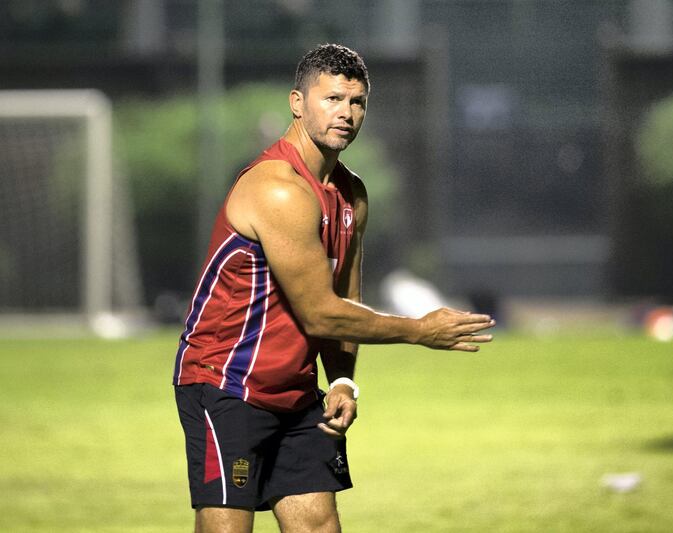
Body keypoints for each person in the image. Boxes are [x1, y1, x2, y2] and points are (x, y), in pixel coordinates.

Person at [172, 43, 495, 533]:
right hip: (228, 385)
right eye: (333, 99)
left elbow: (347, 299)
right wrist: (418, 329)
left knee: (320, 525)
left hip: (297, 390)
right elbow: (321, 314)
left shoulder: (352, 195)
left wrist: (342, 378)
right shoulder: (277, 189)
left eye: (358, 101)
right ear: (297, 103)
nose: (346, 112)